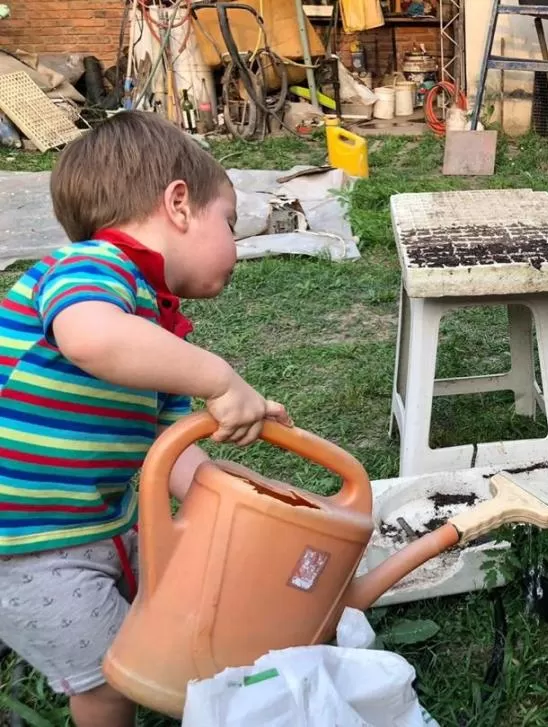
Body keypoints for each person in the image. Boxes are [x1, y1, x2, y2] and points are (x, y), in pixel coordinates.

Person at [0, 111, 290, 727]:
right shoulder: (89, 268)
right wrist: (220, 378)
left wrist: (224, 491)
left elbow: (169, 440)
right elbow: (90, 338)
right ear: (179, 204)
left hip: (89, 524)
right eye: (229, 223)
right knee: (110, 678)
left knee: (164, 599)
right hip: (20, 545)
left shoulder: (152, 328)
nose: (235, 245)